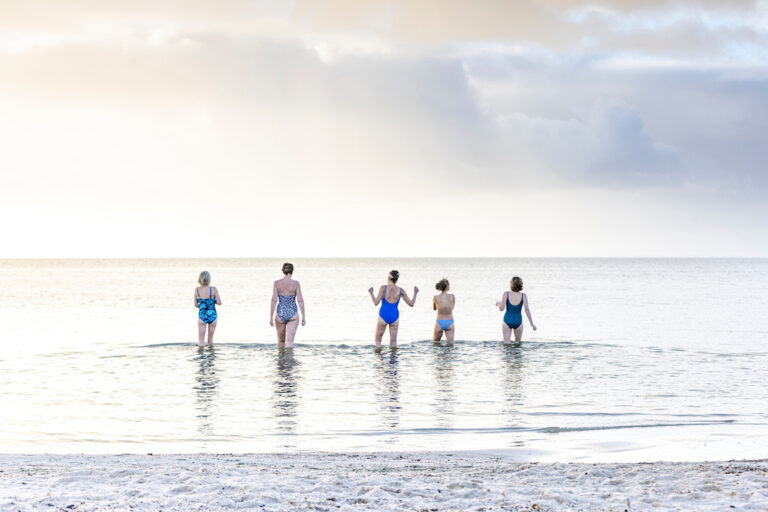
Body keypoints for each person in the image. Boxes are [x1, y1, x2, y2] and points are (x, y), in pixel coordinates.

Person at [368, 270, 418, 348]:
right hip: (394, 317)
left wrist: (371, 293)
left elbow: (376, 302)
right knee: (393, 343)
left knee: (378, 341)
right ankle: (393, 360)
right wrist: (415, 293)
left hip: (383, 315)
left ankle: (380, 360)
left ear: (388, 277)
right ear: (396, 279)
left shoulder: (383, 288)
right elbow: (411, 304)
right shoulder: (401, 290)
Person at [269, 262, 306, 347]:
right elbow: (300, 300)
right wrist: (303, 316)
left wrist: (271, 317)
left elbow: (274, 300)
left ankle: (281, 360)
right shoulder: (296, 284)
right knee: (289, 341)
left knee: (281, 341)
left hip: (280, 313)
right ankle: (290, 359)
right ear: (292, 271)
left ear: (283, 271)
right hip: (292, 313)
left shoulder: (277, 283)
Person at [496, 276, 536, 343]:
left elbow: (501, 309)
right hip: (518, 321)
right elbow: (527, 310)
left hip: (507, 320)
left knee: (506, 345)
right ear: (521, 285)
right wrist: (532, 324)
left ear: (511, 284)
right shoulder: (524, 296)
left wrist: (498, 305)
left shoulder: (506, 294)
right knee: (517, 345)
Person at [194, 271, 221, 347]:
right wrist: (212, 302)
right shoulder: (213, 289)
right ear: (209, 279)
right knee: (210, 340)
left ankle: (201, 357)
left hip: (202, 315)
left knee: (201, 341)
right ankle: (211, 357)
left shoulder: (197, 290)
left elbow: (196, 305)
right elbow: (219, 302)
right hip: (212, 315)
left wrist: (203, 305)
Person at [432, 278, 455, 343]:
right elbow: (452, 307)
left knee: (435, 343)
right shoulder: (452, 296)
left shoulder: (435, 297)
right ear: (447, 286)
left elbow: (434, 309)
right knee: (450, 345)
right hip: (450, 322)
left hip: (439, 322)